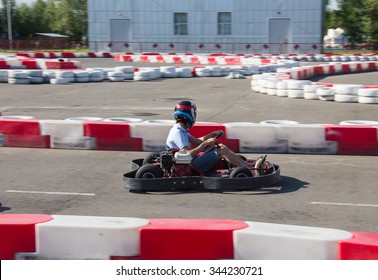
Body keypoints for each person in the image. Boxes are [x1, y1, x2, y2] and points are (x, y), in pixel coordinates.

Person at [165, 100, 250, 174]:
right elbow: (187, 154)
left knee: (221, 147)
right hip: (190, 166)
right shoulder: (178, 133)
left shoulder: (180, 129)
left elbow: (197, 141)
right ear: (188, 115)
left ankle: (245, 166)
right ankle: (249, 170)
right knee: (221, 152)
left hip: (189, 162)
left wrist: (211, 134)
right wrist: (206, 143)